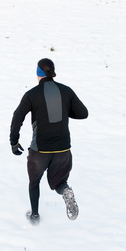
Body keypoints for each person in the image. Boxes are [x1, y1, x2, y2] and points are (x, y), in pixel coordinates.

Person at [10, 58, 88, 225]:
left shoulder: (31, 94)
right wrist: (64, 111)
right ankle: (66, 191)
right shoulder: (66, 91)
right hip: (63, 150)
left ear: (38, 74)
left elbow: (17, 117)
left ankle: (35, 216)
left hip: (40, 151)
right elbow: (83, 113)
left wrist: (14, 142)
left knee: (34, 182)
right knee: (60, 182)